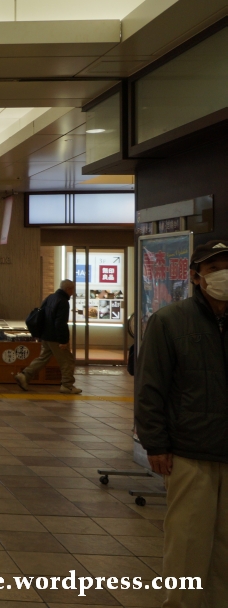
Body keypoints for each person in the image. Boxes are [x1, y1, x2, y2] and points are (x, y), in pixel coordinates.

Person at [135, 239, 228, 608]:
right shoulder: (170, 321)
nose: (223, 275)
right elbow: (150, 387)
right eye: (214, 268)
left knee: (225, 548)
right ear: (195, 276)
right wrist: (155, 443)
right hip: (190, 451)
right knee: (188, 542)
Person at [15, 279, 79, 394]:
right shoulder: (63, 301)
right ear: (68, 289)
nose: (73, 292)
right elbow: (60, 323)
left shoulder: (50, 297)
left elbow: (42, 315)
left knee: (42, 358)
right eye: (73, 289)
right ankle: (67, 385)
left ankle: (25, 375)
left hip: (45, 335)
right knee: (67, 361)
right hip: (55, 337)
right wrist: (63, 340)